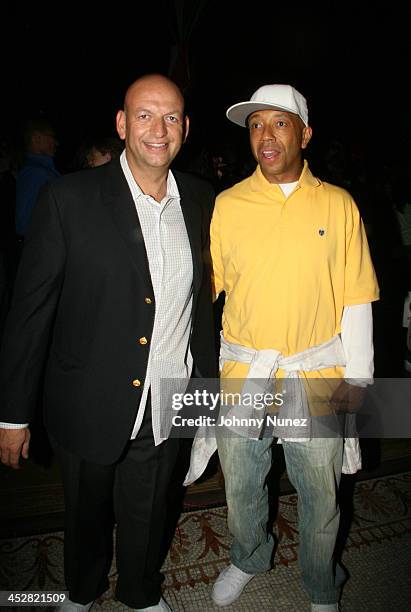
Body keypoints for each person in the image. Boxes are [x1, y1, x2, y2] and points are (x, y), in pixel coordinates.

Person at [0, 74, 216, 612]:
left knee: (150, 509)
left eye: (170, 117)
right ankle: (81, 589)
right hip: (86, 397)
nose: (157, 129)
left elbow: (210, 309)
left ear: (185, 129)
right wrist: (11, 414)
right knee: (86, 512)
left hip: (170, 394)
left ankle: (141, 592)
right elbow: (30, 314)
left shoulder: (204, 200)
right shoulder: (68, 198)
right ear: (121, 124)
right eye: (144, 114)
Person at [185, 84, 379, 611]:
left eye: (279, 123)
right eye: (255, 125)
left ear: (305, 133)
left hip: (313, 372)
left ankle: (321, 586)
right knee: (242, 484)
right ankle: (249, 557)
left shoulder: (338, 205)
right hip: (244, 371)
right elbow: (207, 292)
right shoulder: (227, 204)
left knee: (320, 493)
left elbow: (357, 297)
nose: (264, 136)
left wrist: (359, 378)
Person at [15, 117, 60, 239]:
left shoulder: (42, 171)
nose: (56, 143)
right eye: (52, 137)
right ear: (37, 138)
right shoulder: (36, 173)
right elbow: (23, 223)